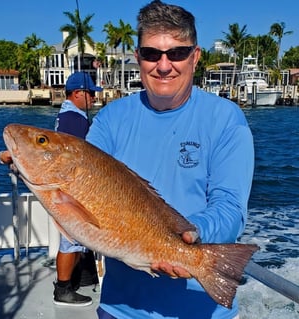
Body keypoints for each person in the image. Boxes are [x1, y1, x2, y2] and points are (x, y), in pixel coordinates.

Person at [86, 1, 254, 318]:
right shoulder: (109, 119)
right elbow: (85, 188)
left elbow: (230, 206)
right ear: (137, 57)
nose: (164, 65)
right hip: (121, 308)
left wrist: (189, 237)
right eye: (152, 54)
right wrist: (31, 169)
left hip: (201, 309)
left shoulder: (226, 119)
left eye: (177, 53)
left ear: (196, 56)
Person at [53, 71, 102, 307]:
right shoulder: (76, 120)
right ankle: (62, 289)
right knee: (70, 240)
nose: (93, 98)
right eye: (90, 93)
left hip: (71, 188)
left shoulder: (69, 116)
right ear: (77, 94)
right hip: (73, 190)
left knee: (78, 239)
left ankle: (81, 276)